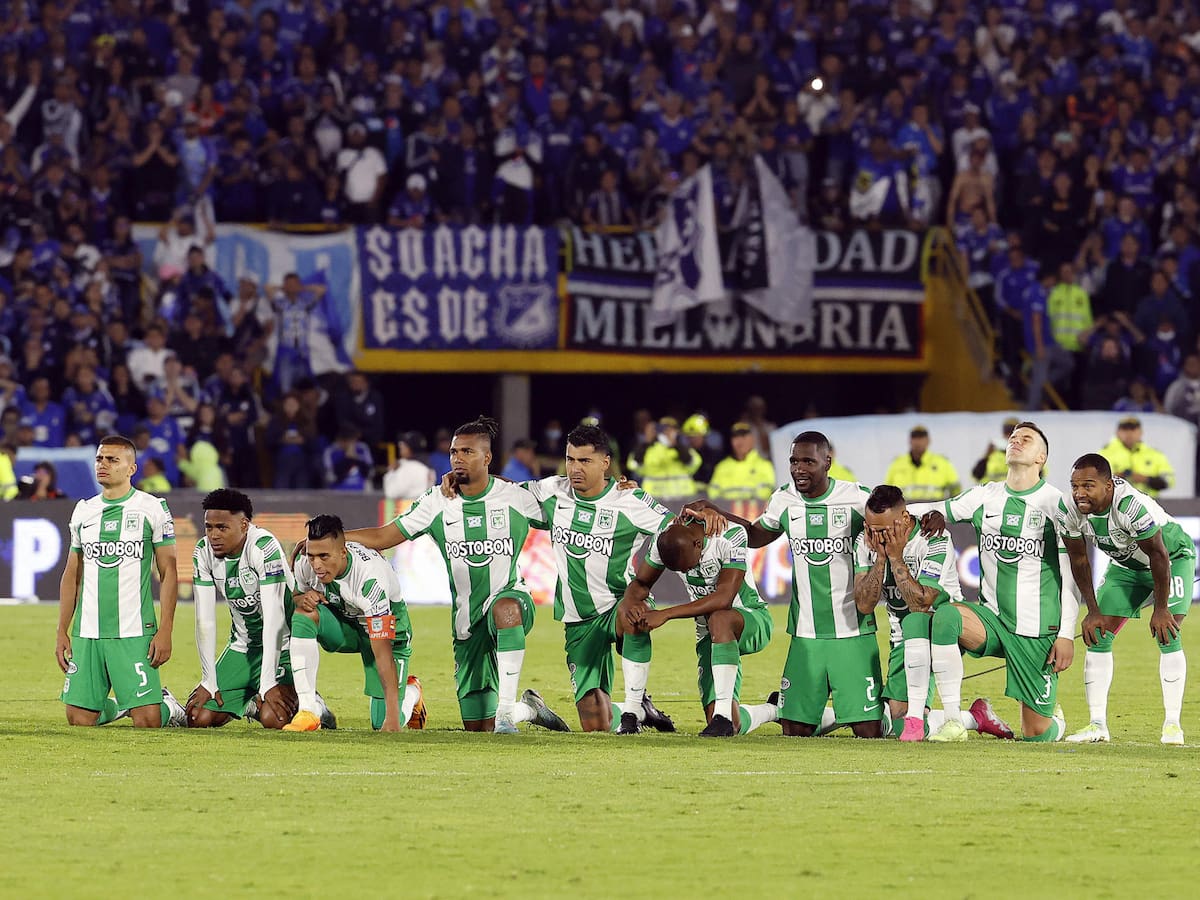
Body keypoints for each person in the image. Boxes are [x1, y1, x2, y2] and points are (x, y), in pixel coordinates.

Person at [339, 416, 568, 733]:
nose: (458, 458)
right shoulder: (437, 501)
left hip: (512, 601)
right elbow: (383, 536)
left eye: (467, 452)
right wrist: (332, 540)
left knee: (505, 609)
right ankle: (527, 709)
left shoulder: (515, 496)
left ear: (487, 458)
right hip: (466, 623)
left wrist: (618, 490)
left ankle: (505, 713)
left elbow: (572, 496)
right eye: (454, 452)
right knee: (478, 728)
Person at [695, 431, 883, 738]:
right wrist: (717, 512)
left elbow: (896, 516)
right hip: (805, 633)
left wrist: (932, 517)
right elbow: (755, 536)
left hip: (852, 632)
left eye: (808, 461)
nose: (799, 469)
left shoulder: (858, 498)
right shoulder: (784, 500)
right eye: (794, 462)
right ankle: (829, 714)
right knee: (794, 729)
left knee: (868, 732)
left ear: (827, 462)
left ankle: (885, 714)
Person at [519, 423, 694, 733]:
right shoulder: (552, 491)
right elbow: (503, 494)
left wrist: (706, 513)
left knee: (635, 615)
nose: (575, 468)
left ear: (605, 463)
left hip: (620, 604)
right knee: (596, 725)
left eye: (585, 461)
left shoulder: (630, 500)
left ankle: (632, 709)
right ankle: (638, 710)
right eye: (570, 459)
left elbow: (678, 532)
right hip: (579, 618)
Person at [924, 422, 1078, 742]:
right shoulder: (985, 495)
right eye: (1013, 438)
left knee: (1036, 734)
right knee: (946, 617)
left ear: (1041, 457)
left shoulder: (1057, 504)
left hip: (1037, 629)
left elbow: (1071, 578)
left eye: (1026, 439)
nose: (1016, 441)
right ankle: (952, 719)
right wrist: (879, 510)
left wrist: (1066, 635)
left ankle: (1055, 720)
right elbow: (935, 510)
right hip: (992, 620)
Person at [852, 485, 1013, 742]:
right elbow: (863, 605)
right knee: (899, 722)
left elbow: (921, 604)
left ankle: (952, 719)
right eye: (872, 529)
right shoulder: (865, 541)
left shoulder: (934, 538)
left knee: (920, 621)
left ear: (904, 518)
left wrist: (895, 558)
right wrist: (881, 559)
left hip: (941, 630)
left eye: (885, 530)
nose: (878, 537)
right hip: (902, 639)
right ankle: (975, 717)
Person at [1057, 454, 1194, 745]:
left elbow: (1159, 555)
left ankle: (1172, 726)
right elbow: (1079, 559)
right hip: (1126, 567)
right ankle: (1097, 725)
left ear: (1108, 486)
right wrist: (1092, 610)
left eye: (1088, 486)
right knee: (1098, 635)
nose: (1079, 493)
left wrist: (1160, 608)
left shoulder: (1130, 506)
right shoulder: (1068, 509)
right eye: (1075, 486)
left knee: (1168, 632)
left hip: (1172, 559)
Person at [55, 434, 186, 728]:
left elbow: (169, 571)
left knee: (148, 721)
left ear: (131, 468)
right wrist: (62, 630)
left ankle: (168, 705)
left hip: (134, 629)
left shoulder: (152, 508)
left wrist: (166, 629)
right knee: (79, 719)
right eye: (99, 459)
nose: (103, 465)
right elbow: (72, 575)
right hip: (88, 630)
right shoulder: (84, 510)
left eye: (112, 460)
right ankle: (122, 707)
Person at [625, 517, 778, 737]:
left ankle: (723, 718)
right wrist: (633, 604)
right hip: (709, 633)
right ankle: (773, 709)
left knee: (719, 617)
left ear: (698, 544)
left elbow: (724, 598)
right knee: (732, 725)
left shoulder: (730, 536)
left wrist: (666, 614)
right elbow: (641, 583)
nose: (688, 572)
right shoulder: (664, 538)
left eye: (688, 565)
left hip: (751, 619)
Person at [186, 489, 316, 729]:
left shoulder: (263, 546)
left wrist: (268, 682)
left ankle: (316, 707)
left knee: (274, 719)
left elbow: (275, 619)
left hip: (284, 645)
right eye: (209, 527)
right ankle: (250, 704)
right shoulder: (203, 552)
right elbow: (205, 621)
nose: (213, 535)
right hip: (243, 646)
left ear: (244, 525)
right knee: (197, 716)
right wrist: (209, 679)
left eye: (222, 528)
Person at [284, 515, 426, 732]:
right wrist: (302, 599)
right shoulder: (305, 564)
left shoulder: (370, 580)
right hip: (347, 626)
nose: (317, 565)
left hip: (388, 636)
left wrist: (393, 719)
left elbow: (382, 651)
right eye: (312, 556)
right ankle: (308, 710)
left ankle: (412, 691)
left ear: (343, 552)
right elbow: (295, 598)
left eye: (324, 556)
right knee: (304, 614)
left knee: (383, 721)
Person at [625, 415, 701, 499]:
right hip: (655, 499)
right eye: (663, 428)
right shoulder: (648, 450)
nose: (666, 432)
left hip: (683, 498)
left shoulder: (683, 448)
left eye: (671, 428)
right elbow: (634, 465)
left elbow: (693, 463)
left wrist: (675, 445)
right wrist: (647, 442)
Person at [1098, 416, 1174, 498]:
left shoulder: (1155, 454)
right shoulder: (1104, 454)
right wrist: (1115, 479)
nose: (1129, 433)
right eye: (1125, 430)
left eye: (1133, 429)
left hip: (1149, 502)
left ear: (1140, 432)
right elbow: (1094, 481)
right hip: (1115, 502)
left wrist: (1147, 479)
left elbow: (1169, 480)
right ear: (1117, 432)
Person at [884, 426, 961, 501]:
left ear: (928, 441)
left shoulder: (942, 463)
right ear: (909, 441)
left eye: (921, 438)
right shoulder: (897, 464)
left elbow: (956, 490)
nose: (918, 442)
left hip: (934, 508)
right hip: (905, 508)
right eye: (915, 438)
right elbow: (887, 493)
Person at [706, 421, 775, 506]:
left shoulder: (765, 466)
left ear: (752, 439)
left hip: (755, 512)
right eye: (736, 437)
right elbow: (712, 495)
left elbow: (769, 495)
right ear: (731, 441)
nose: (740, 441)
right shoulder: (721, 466)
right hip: (726, 512)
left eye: (744, 436)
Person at [383, 431, 436, 500]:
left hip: (409, 504)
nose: (400, 447)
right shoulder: (428, 465)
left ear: (412, 448)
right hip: (425, 504)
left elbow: (391, 493)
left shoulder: (409, 467)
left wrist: (392, 471)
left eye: (404, 446)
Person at [970, 417, 1020, 484]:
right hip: (991, 490)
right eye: (1007, 431)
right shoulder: (992, 454)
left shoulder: (1025, 456)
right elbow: (976, 475)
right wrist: (986, 455)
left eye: (1012, 431)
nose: (1009, 435)